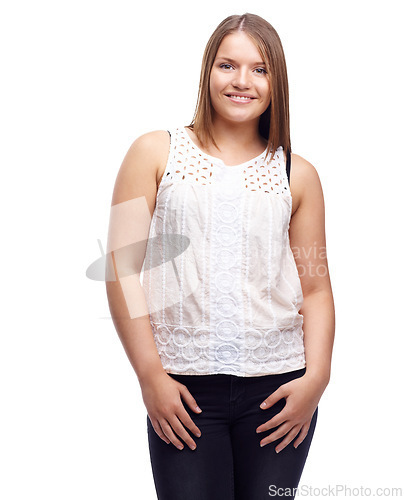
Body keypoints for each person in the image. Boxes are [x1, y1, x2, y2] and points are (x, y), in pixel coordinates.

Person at [105, 12, 335, 500]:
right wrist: (150, 376)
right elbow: (121, 268)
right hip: (184, 394)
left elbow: (315, 288)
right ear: (208, 70)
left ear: (277, 83)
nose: (242, 81)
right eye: (228, 65)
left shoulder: (299, 176)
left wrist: (316, 379)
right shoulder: (154, 152)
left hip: (279, 392)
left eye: (260, 69)